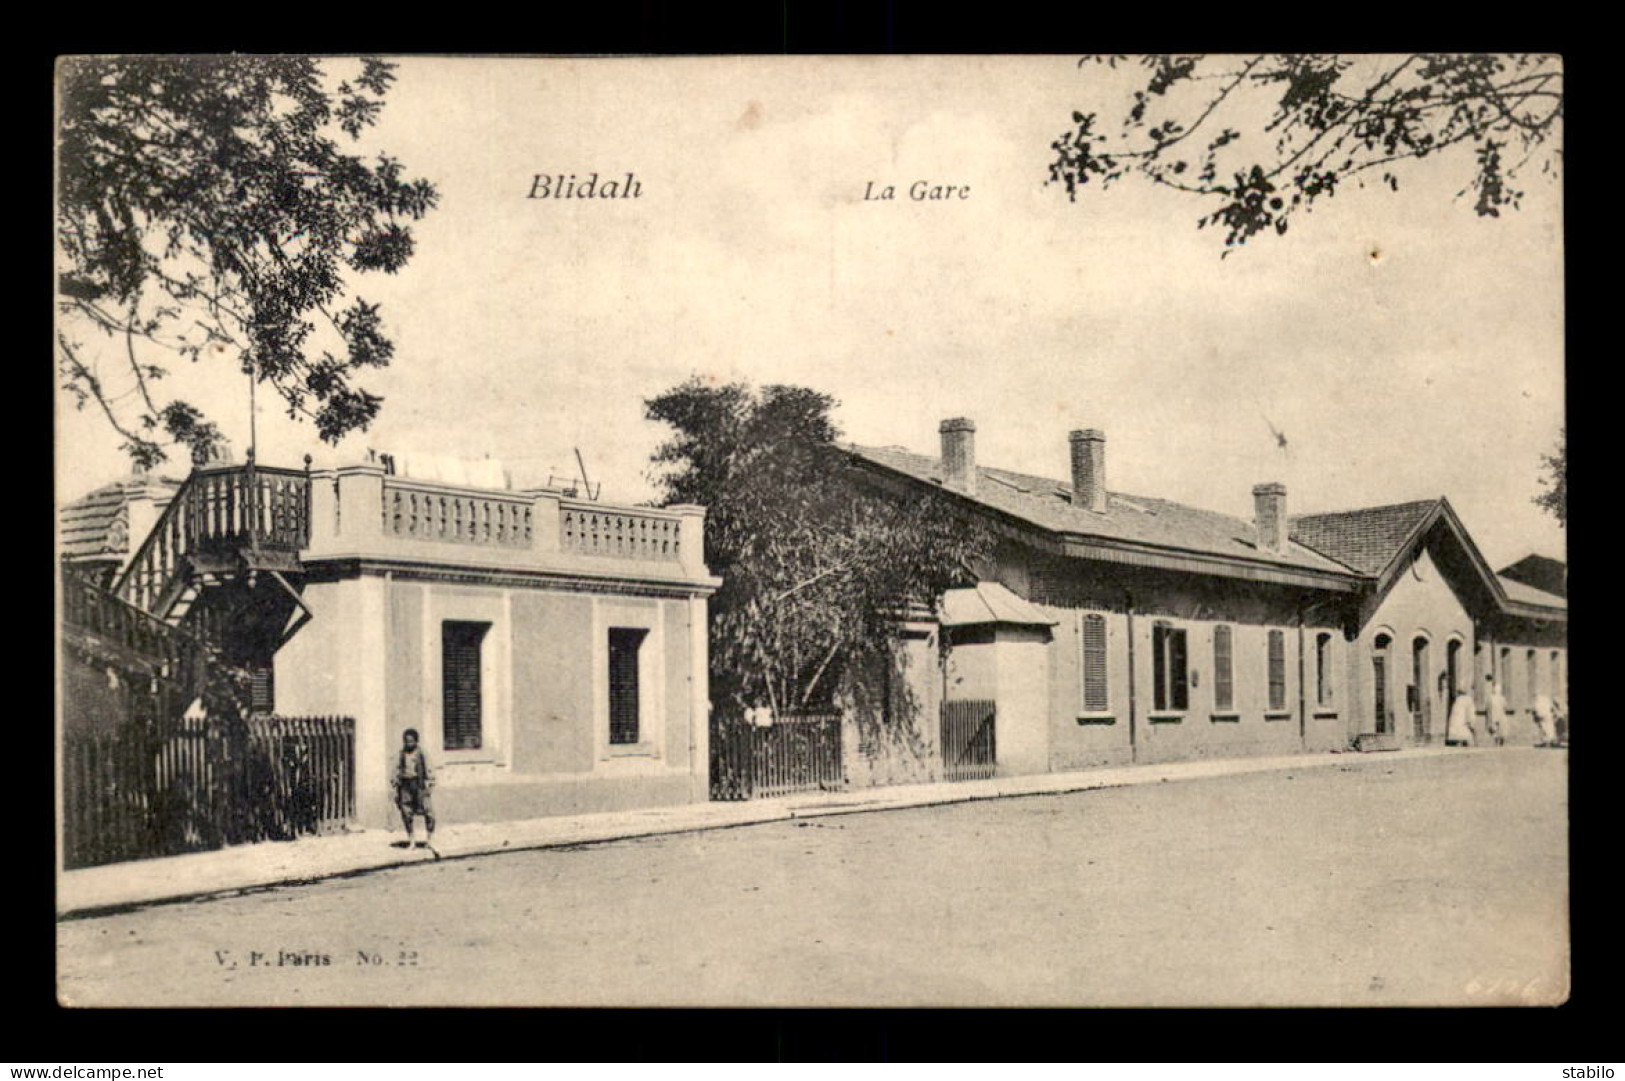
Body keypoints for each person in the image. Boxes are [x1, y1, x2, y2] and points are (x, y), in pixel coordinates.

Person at [393, 728, 436, 848]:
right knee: (406, 812)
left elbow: (429, 768)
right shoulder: (401, 754)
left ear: (416, 742)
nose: (409, 744)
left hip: (419, 784)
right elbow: (396, 768)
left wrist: (430, 782)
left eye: (411, 741)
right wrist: (395, 780)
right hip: (406, 784)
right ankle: (412, 840)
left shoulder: (422, 753)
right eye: (406, 741)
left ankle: (430, 839)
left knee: (428, 812)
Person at [1485, 675, 1508, 748]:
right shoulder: (1502, 698)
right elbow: (1505, 707)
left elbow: (1487, 707)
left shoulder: (1490, 698)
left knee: (1494, 728)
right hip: (1500, 714)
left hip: (1493, 715)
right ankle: (1500, 740)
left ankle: (1496, 739)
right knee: (1501, 728)